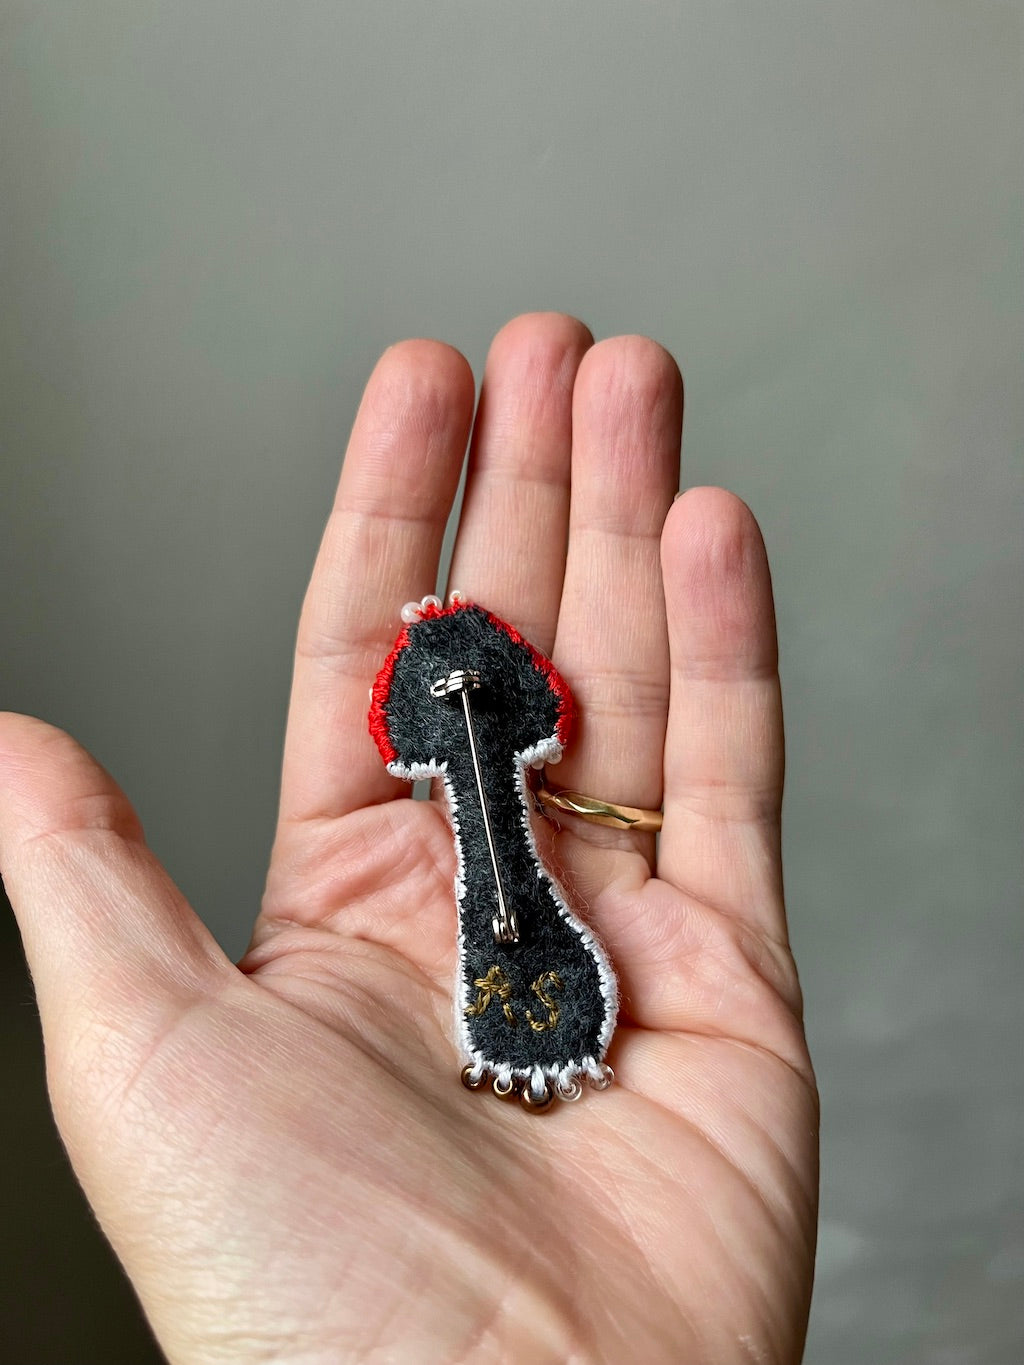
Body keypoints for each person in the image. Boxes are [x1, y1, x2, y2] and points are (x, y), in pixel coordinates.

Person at [0, 314, 818, 1363]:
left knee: (512, 904)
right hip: (514, 956)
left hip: (539, 945)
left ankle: (540, 1038)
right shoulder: (439, 712)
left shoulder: (498, 709)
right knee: (503, 905)